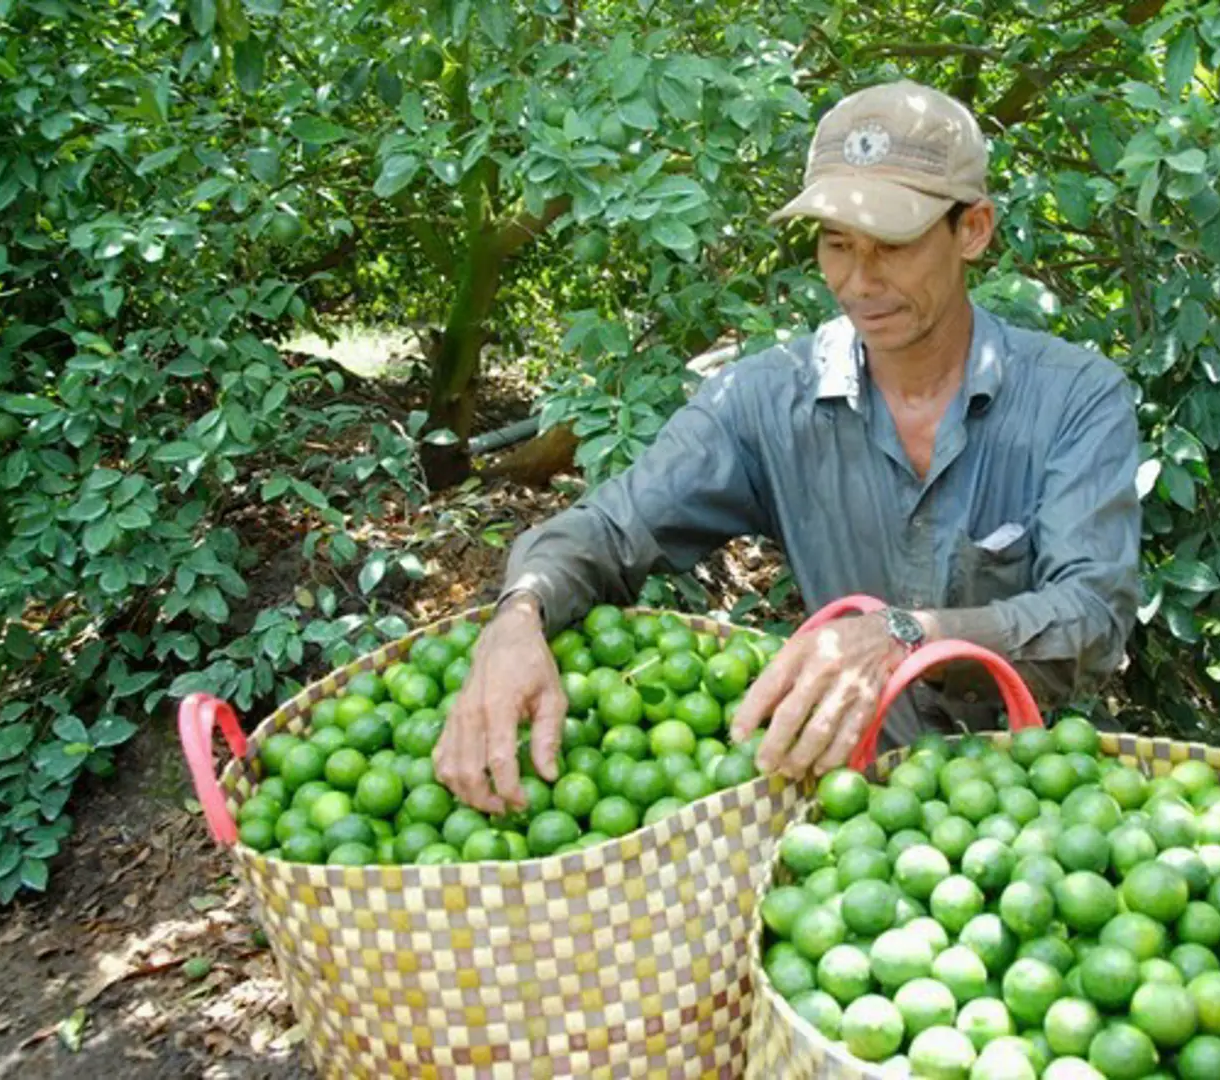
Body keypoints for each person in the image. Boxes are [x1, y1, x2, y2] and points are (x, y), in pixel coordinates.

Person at [435, 79, 1141, 814]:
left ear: (973, 230)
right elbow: (612, 531)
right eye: (836, 245)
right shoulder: (766, 400)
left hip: (1033, 807)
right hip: (843, 810)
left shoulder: (1073, 397)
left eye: (892, 247)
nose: (858, 281)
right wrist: (519, 613)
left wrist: (908, 635)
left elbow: (1091, 618)